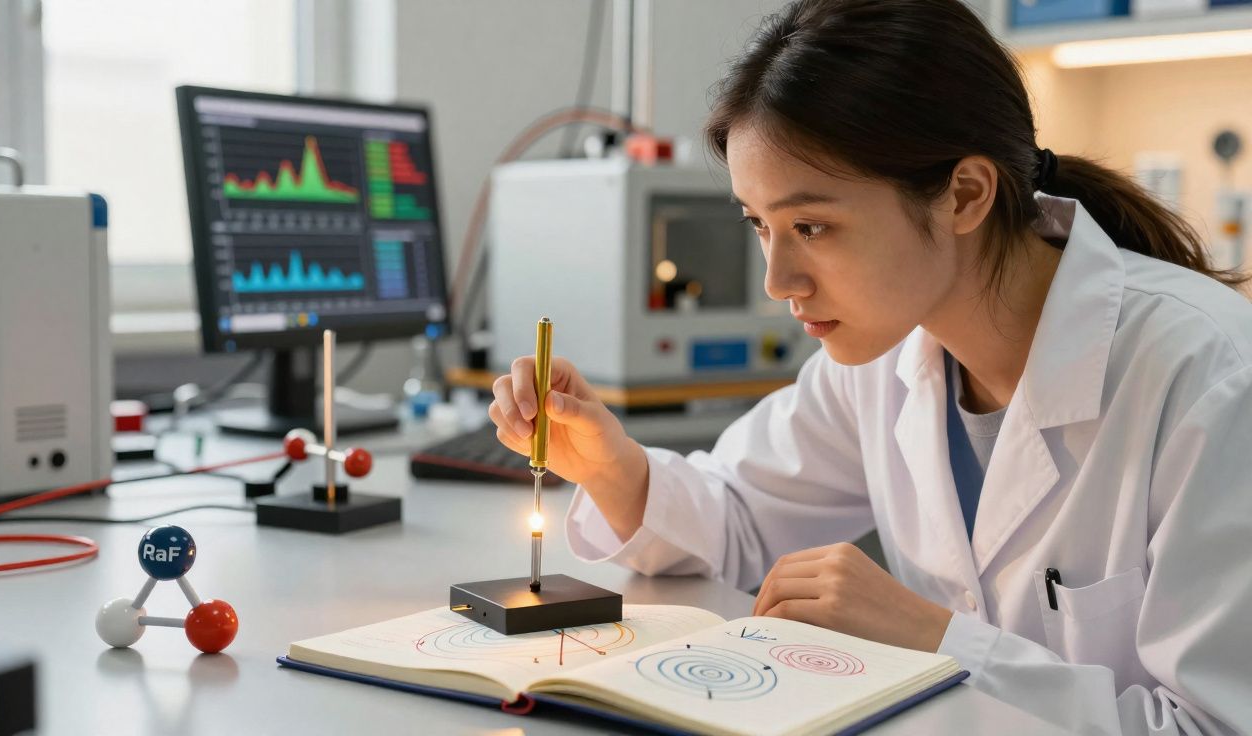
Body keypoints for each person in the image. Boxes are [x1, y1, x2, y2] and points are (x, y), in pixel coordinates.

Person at [487, 0, 1252, 732]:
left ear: (965, 194)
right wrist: (611, 467)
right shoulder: (885, 356)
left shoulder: (1207, 380)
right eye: (761, 225)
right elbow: (741, 521)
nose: (777, 281)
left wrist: (937, 639)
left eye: (812, 226)